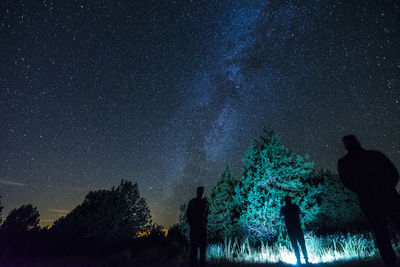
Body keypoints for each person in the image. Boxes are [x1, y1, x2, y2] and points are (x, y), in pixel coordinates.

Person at [338, 134, 400, 267]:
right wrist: (388, 187)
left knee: (381, 234)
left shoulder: (344, 162)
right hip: (389, 196)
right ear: (358, 142)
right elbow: (394, 173)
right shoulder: (375, 155)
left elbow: (346, 183)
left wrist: (362, 191)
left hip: (369, 202)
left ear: (345, 146)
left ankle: (390, 263)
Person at [280, 195, 309, 265]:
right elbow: (299, 213)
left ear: (285, 201)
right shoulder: (295, 207)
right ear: (290, 200)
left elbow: (281, 216)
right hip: (297, 228)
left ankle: (298, 260)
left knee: (295, 245)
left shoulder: (284, 208)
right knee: (302, 244)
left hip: (290, 229)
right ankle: (306, 260)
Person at [186, 186, 210, 267]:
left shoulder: (203, 202)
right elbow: (188, 215)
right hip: (198, 228)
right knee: (197, 250)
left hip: (198, 229)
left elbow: (188, 215)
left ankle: (195, 264)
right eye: (201, 191)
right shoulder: (202, 202)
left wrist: (192, 224)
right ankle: (196, 264)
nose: (202, 193)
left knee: (197, 250)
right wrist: (193, 224)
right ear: (199, 192)